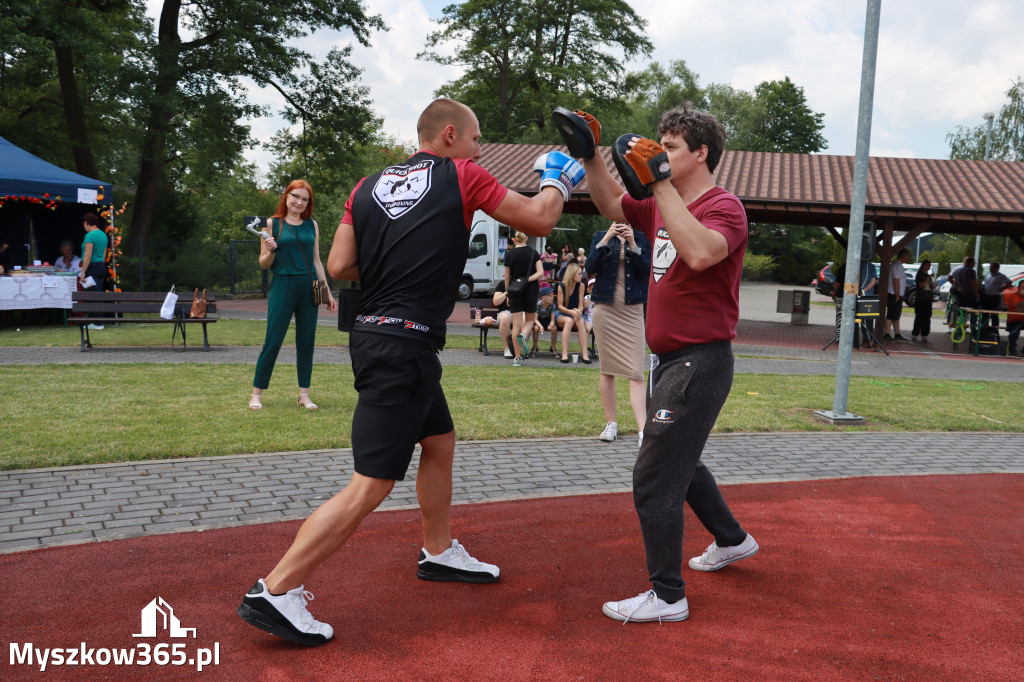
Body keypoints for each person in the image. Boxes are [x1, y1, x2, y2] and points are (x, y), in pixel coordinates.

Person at [237, 98, 581, 646]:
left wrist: (400, 254)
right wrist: (558, 180)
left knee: (439, 440)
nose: (478, 149)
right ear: (449, 134)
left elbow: (340, 267)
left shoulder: (365, 186)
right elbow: (540, 218)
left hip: (385, 339)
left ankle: (439, 552)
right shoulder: (461, 174)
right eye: (475, 138)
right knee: (370, 484)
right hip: (401, 347)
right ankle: (276, 589)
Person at [571, 103, 757, 623]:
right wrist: (590, 157)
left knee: (654, 473)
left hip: (701, 362)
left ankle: (667, 596)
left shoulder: (725, 207)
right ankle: (732, 540)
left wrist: (659, 185)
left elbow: (699, 253)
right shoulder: (659, 202)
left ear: (700, 153)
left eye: (670, 146)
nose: (658, 153)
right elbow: (611, 202)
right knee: (681, 459)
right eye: (659, 145)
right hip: (669, 361)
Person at [249, 180, 338, 411]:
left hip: (309, 288)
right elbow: (264, 263)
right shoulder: (271, 224)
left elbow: (317, 261)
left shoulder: (312, 225)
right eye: (295, 197)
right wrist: (269, 250)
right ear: (286, 197)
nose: (299, 202)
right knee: (273, 339)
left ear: (308, 202)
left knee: (307, 340)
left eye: (304, 199)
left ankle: (304, 395)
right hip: (283, 285)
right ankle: (256, 394)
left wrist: (327, 292)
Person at [585, 221, 651, 445]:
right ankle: (611, 424)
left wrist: (632, 242)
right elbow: (590, 266)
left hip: (632, 311)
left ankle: (643, 430)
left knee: (636, 372)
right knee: (607, 370)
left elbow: (646, 270)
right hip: (605, 309)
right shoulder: (600, 235)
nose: (622, 222)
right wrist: (605, 240)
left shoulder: (641, 237)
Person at [503, 230, 544, 366]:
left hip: (514, 291)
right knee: (531, 320)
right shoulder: (534, 253)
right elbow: (540, 273)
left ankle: (517, 357)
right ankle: (524, 335)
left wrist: (507, 293)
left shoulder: (509, 254)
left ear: (515, 239)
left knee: (516, 325)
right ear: (526, 238)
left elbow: (507, 277)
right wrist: (527, 280)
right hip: (531, 291)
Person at [831, 258, 878, 349]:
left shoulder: (851, 265)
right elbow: (873, 282)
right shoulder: (871, 266)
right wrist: (864, 291)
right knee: (867, 320)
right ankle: (866, 340)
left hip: (851, 295)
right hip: (866, 296)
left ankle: (851, 340)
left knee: (850, 317)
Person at [555, 262, 591, 363]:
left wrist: (578, 312)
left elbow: (580, 305)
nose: (581, 276)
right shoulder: (561, 285)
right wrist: (571, 312)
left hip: (575, 313)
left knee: (579, 321)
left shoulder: (581, 286)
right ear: (572, 274)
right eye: (579, 274)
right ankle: (564, 353)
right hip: (563, 314)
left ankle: (584, 354)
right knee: (569, 321)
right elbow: (560, 306)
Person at [79, 213, 108, 329]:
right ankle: (98, 321)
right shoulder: (103, 235)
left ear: (86, 223)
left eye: (84, 224)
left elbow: (87, 255)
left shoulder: (89, 236)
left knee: (94, 295)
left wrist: (83, 272)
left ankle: (98, 323)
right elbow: (104, 254)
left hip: (92, 267)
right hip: (101, 265)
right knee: (98, 293)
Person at [883, 248, 911, 342]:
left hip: (894, 293)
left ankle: (897, 333)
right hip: (894, 294)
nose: (908, 258)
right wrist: (897, 294)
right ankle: (887, 333)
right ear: (904, 256)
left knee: (896, 314)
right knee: (891, 314)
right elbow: (896, 280)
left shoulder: (896, 264)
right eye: (908, 256)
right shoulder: (897, 266)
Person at [949, 257, 980, 331]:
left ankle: (960, 327)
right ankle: (973, 327)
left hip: (961, 294)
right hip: (970, 294)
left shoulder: (958, 270)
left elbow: (956, 283)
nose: (974, 265)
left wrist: (958, 290)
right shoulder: (972, 271)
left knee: (961, 311)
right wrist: (976, 294)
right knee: (973, 311)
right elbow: (974, 283)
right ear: (970, 263)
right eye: (973, 263)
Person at [981, 262, 1012, 328]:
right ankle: (984, 328)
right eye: (990, 267)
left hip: (995, 297)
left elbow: (1009, 282)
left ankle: (994, 329)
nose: (990, 268)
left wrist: (1003, 288)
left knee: (994, 314)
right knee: (985, 313)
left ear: (996, 268)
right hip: (986, 297)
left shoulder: (1001, 276)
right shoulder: (988, 275)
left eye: (992, 267)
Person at [911, 259, 936, 342]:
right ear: (924, 265)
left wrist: (933, 284)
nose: (929, 266)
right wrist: (928, 278)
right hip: (921, 299)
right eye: (928, 265)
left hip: (928, 299)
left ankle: (925, 334)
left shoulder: (928, 275)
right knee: (919, 317)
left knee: (927, 317)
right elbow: (921, 285)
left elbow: (930, 286)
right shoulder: (920, 275)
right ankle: (915, 333)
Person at [531, 284, 558, 356]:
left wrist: (551, 325)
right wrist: (540, 326)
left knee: (554, 328)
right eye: (549, 296)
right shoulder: (538, 305)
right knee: (536, 328)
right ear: (543, 298)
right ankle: (535, 346)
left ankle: (553, 347)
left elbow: (552, 319)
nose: (552, 297)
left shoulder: (553, 305)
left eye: (552, 295)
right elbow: (535, 319)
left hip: (548, 321)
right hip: (539, 321)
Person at [1003, 280, 1024, 356]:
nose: (1021, 289)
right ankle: (1012, 347)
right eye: (1020, 287)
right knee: (1014, 333)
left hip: (1023, 320)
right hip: (1014, 320)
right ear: (1018, 287)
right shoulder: (1013, 296)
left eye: (1023, 287)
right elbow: (1021, 308)